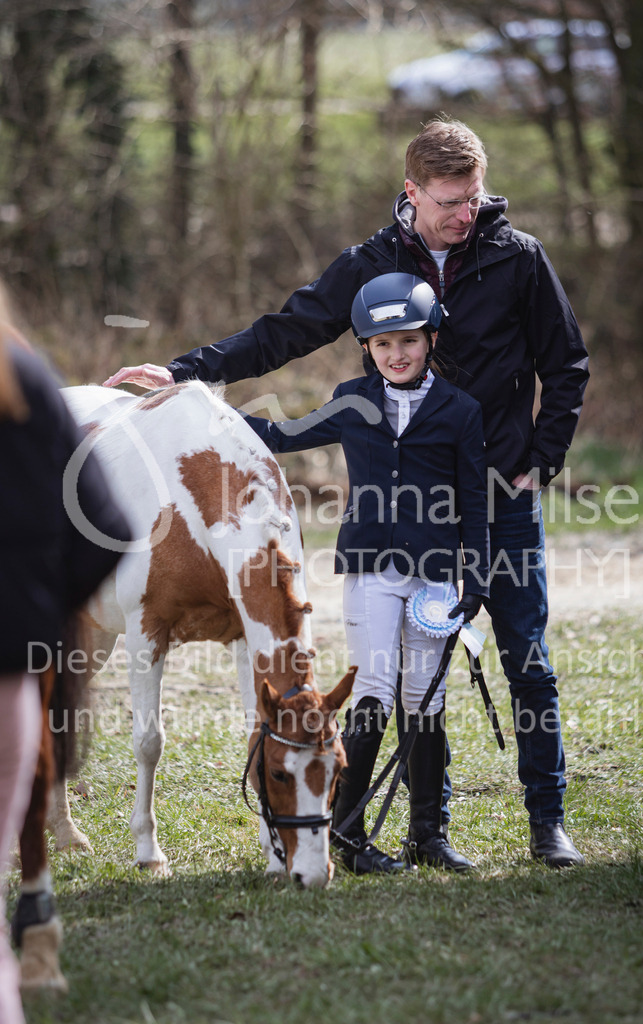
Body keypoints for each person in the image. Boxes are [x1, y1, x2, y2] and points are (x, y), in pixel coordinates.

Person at [103, 116, 590, 867]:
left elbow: (566, 364)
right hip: (408, 517)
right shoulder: (371, 262)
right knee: (408, 680)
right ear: (411, 192)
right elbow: (287, 330)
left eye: (472, 198)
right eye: (448, 201)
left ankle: (546, 821)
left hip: (499, 494)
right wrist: (186, 371)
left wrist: (541, 456)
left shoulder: (519, 260)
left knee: (527, 659)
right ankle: (399, 830)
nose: (464, 213)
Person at [240, 272, 489, 873]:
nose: (395, 355)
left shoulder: (461, 410)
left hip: (433, 575)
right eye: (382, 345)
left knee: (424, 700)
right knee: (374, 692)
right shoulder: (353, 399)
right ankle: (348, 837)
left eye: (407, 342)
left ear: (430, 339)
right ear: (367, 350)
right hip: (371, 568)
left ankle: (427, 834)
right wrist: (212, 418)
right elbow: (284, 434)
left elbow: (476, 500)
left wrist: (475, 575)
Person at [0, 284, 130, 1023]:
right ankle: (36, 907)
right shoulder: (25, 380)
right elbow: (105, 527)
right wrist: (37, 622)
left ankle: (37, 891)